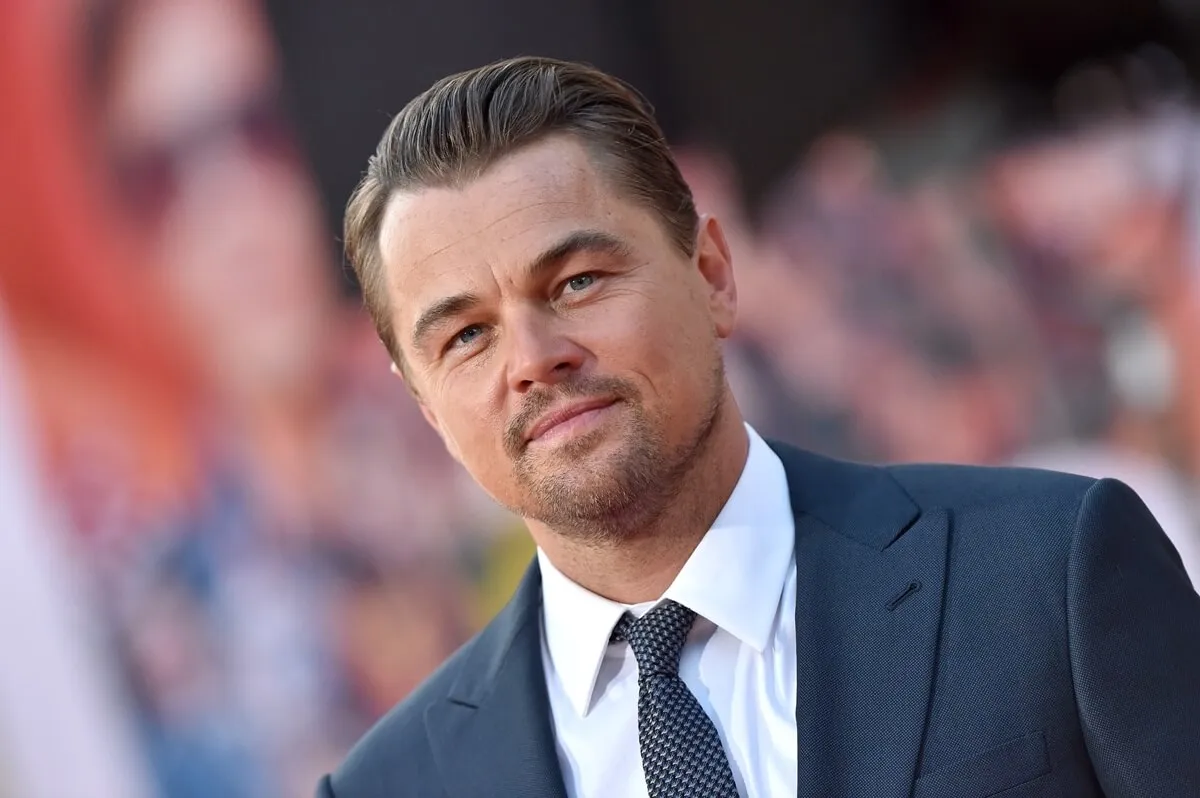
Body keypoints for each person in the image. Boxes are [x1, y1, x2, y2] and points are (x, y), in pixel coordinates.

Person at [318, 56, 1200, 798]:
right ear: (427, 406)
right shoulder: (388, 786)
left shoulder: (1050, 572)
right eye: (466, 335)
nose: (534, 356)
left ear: (712, 273)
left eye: (578, 281)